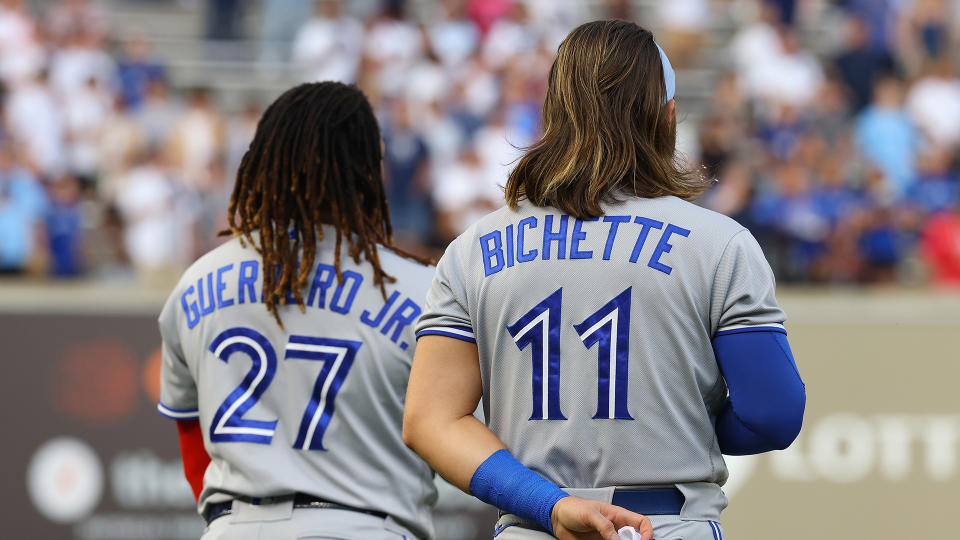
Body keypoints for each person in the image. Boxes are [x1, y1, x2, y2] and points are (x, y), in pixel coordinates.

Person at [403, 20, 806, 540]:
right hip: (667, 523)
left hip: (536, 526)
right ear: (666, 115)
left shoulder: (472, 250)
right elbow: (774, 414)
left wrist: (548, 504)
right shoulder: (719, 243)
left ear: (553, 113)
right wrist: (682, 419)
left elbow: (430, 422)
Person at [156, 82, 437, 539]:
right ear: (366, 168)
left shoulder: (196, 281)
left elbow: (192, 441)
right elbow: (453, 432)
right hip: (364, 525)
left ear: (264, 158)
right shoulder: (420, 288)